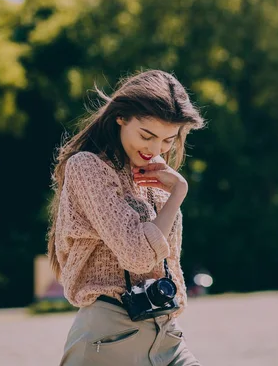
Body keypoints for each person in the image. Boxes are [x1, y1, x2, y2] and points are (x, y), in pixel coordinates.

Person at [47, 70, 205, 365]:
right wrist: (179, 193)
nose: (155, 150)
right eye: (147, 136)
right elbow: (137, 256)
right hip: (110, 338)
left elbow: (168, 262)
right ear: (121, 117)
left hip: (165, 332)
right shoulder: (87, 168)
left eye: (168, 140)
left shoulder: (158, 178)